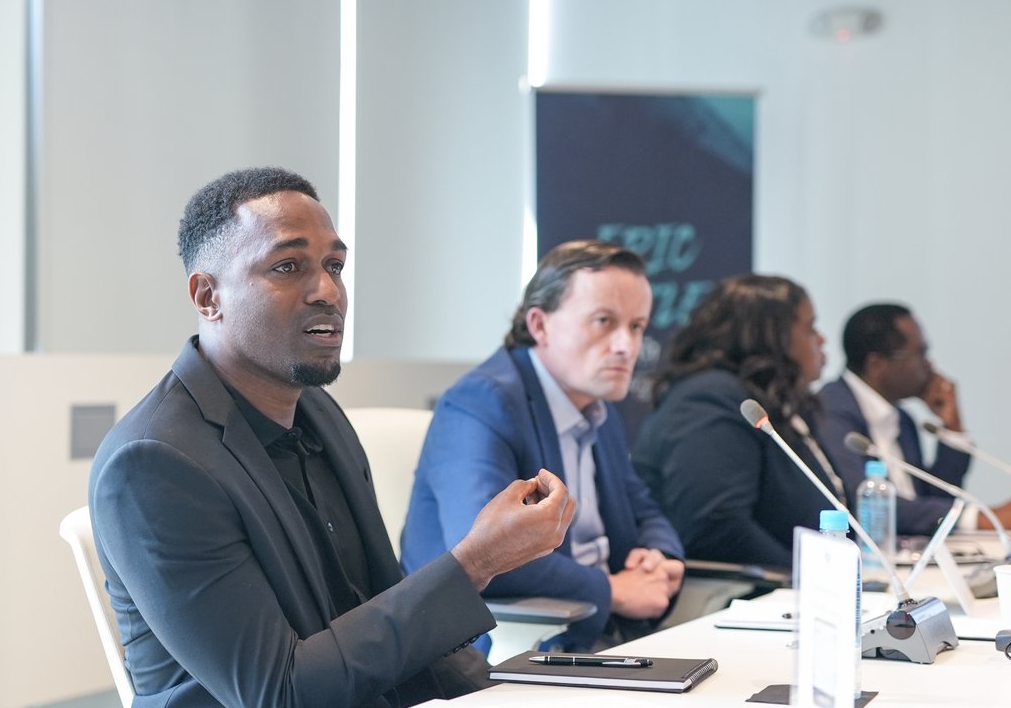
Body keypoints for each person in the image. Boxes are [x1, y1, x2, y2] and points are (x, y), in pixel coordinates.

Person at [88, 167, 575, 708]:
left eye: (335, 266)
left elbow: (379, 600)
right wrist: (476, 561)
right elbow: (285, 699)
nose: (329, 291)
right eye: (289, 267)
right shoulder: (154, 465)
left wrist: (513, 703)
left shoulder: (317, 413)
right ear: (207, 297)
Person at [401, 241, 684, 652]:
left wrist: (658, 555)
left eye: (637, 326)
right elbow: (484, 552)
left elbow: (643, 508)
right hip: (497, 652)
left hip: (601, 639)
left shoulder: (597, 406)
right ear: (540, 325)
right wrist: (613, 590)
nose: (627, 346)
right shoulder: (481, 402)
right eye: (604, 321)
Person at [631, 274, 841, 569]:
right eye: (810, 328)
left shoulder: (780, 402)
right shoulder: (710, 397)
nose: (821, 340)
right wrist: (799, 577)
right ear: (770, 337)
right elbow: (715, 525)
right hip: (743, 595)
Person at [816, 303, 1011, 534]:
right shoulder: (830, 410)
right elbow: (866, 503)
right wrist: (980, 518)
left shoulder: (902, 419)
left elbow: (935, 498)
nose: (930, 366)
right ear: (877, 364)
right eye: (920, 354)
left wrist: (952, 426)